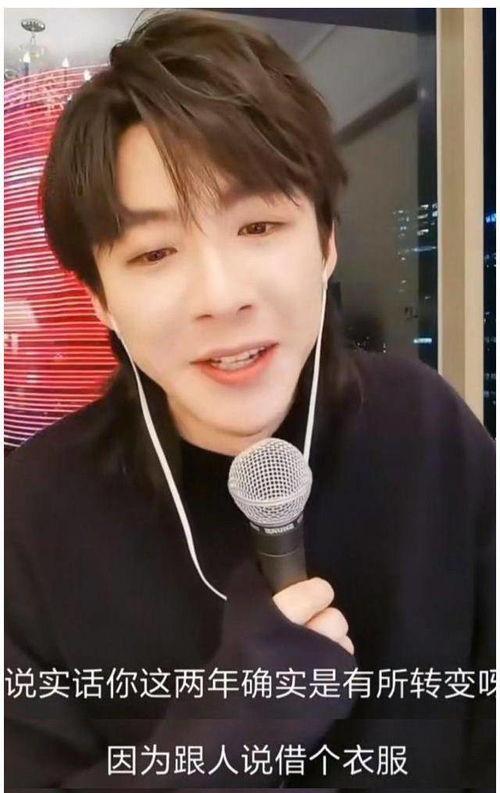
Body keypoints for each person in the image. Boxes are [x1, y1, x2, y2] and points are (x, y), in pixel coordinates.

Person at [5, 9, 495, 790]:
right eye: (155, 252)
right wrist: (229, 730)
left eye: (260, 224)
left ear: (327, 242)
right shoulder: (31, 511)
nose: (221, 296)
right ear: (99, 298)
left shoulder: (428, 430)